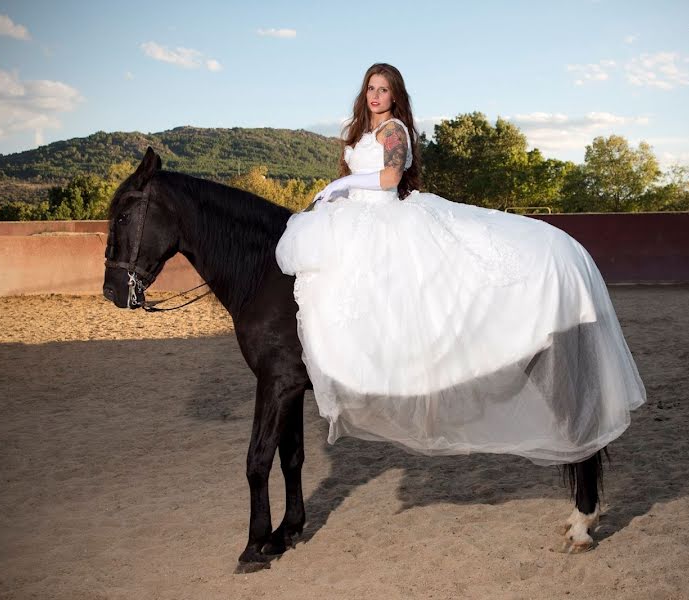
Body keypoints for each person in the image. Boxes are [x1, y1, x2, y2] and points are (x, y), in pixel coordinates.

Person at [275, 63, 646, 466]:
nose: (375, 95)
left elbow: (390, 177)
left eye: (383, 89)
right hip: (358, 216)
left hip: (385, 215)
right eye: (370, 88)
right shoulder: (362, 133)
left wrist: (341, 184)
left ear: (395, 95)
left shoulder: (393, 130)